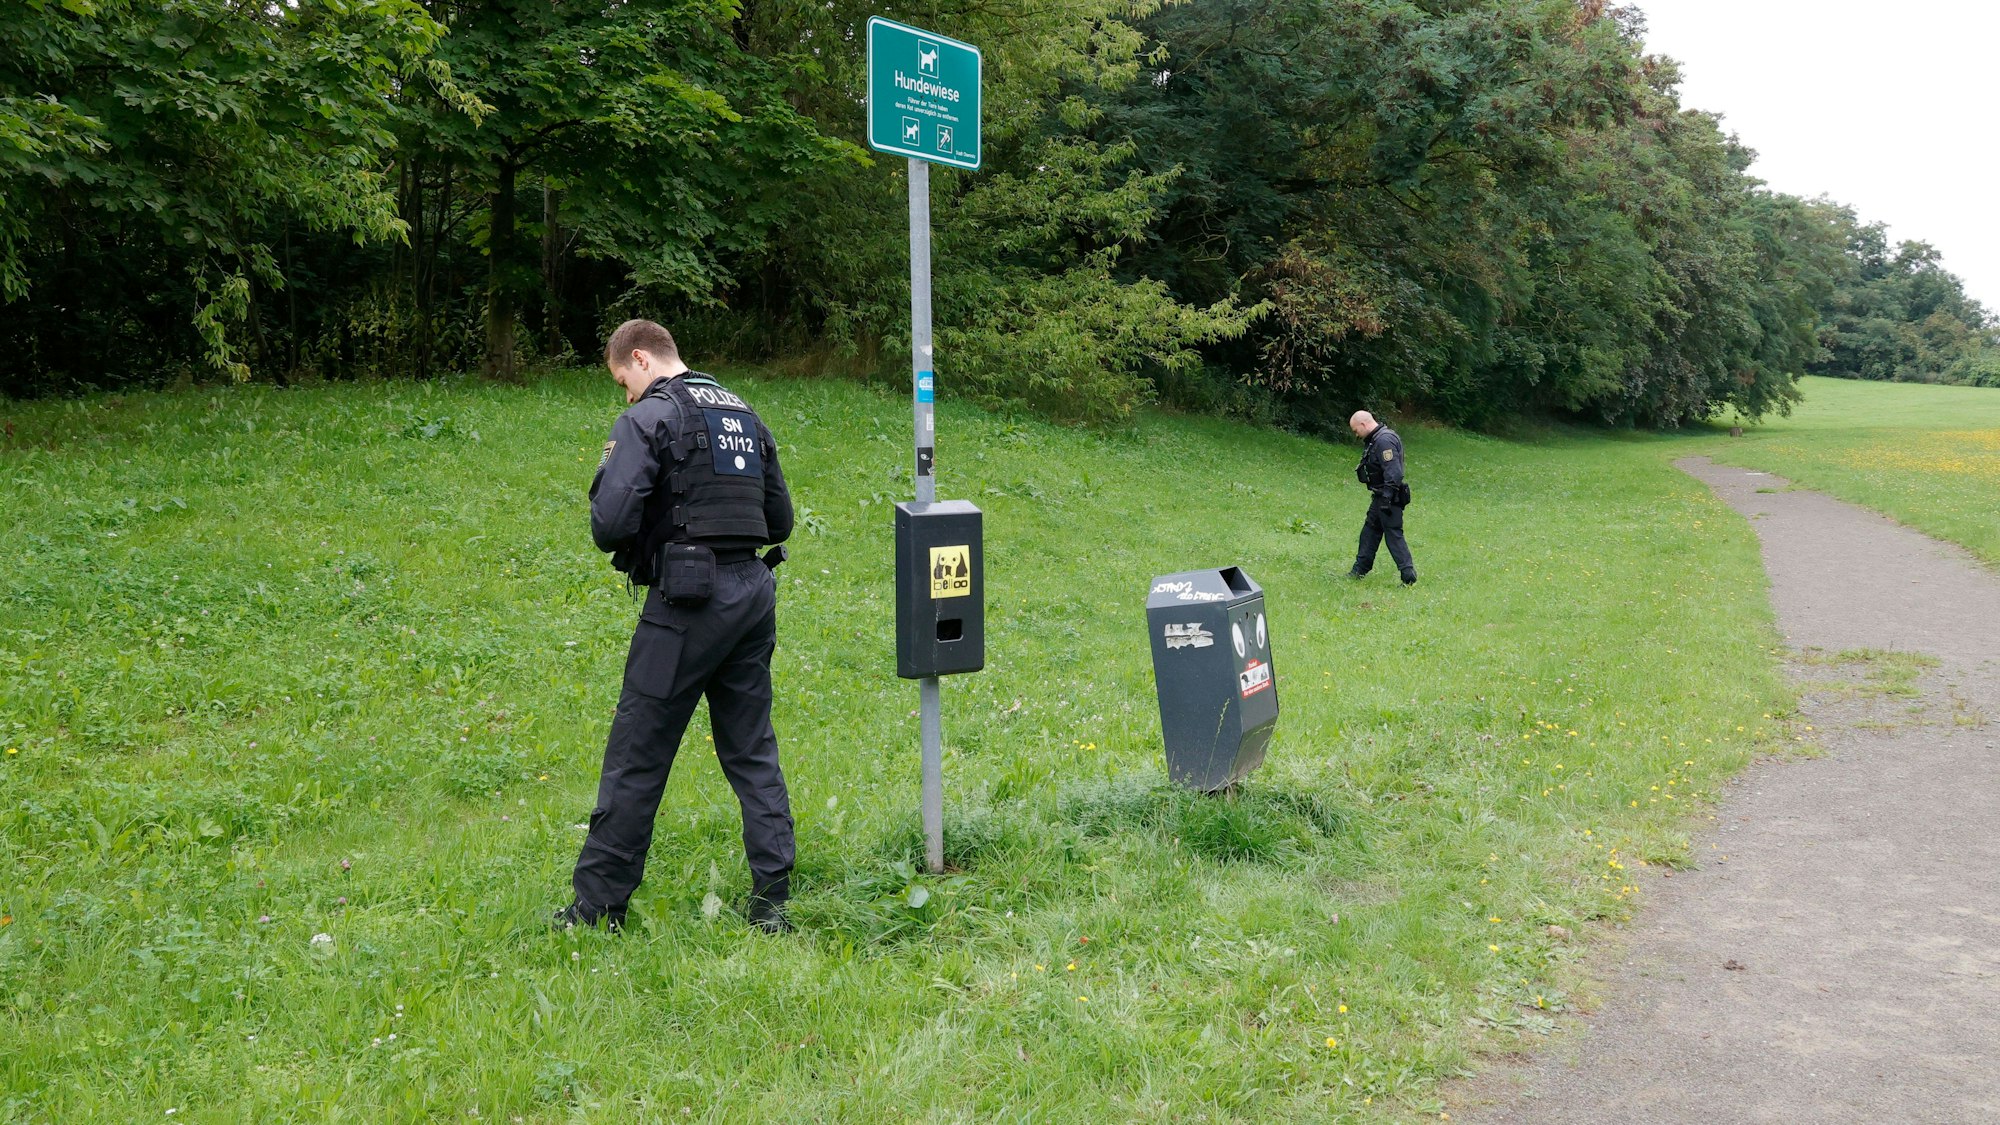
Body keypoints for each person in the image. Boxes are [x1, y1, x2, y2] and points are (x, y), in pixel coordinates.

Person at [555, 319, 797, 934]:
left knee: (637, 752)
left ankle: (596, 909)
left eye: (622, 382)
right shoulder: (743, 412)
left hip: (688, 602)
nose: (625, 396)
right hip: (753, 596)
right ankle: (773, 904)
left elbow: (609, 523)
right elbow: (780, 518)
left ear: (640, 358)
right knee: (752, 749)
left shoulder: (649, 419)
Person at [1346, 410, 1416, 586]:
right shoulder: (1376, 439)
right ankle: (1359, 570)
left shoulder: (1384, 440)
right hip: (1380, 496)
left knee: (1393, 535)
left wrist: (1387, 497)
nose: (1356, 435)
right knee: (1369, 532)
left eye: (1356, 430)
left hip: (1389, 497)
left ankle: (1408, 575)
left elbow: (1394, 471)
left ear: (1363, 424)